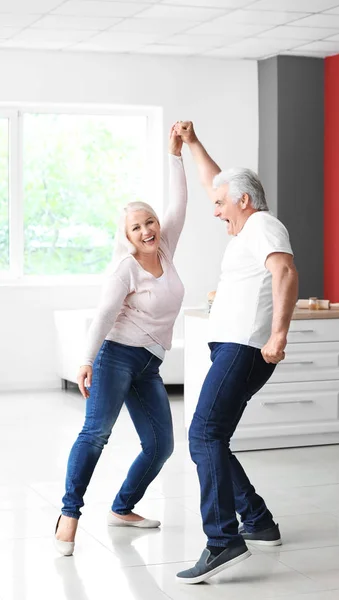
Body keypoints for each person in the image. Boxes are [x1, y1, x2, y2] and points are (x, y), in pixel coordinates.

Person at [173, 121, 298, 584]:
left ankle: (223, 540)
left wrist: (278, 335)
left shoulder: (263, 224)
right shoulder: (247, 226)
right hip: (234, 346)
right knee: (213, 437)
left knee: (202, 434)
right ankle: (258, 522)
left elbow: (285, 272)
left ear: (243, 201)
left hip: (246, 347)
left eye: (222, 205)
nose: (216, 211)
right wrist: (192, 144)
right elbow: (216, 182)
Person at [54, 125, 187, 556]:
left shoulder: (165, 248)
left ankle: (123, 506)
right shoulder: (124, 269)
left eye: (150, 221)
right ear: (126, 236)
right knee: (96, 433)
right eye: (137, 227)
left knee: (161, 445)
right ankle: (69, 513)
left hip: (149, 363)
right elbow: (103, 316)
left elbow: (180, 202)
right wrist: (85, 360)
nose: (147, 230)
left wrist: (175, 154)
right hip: (116, 357)